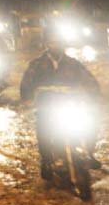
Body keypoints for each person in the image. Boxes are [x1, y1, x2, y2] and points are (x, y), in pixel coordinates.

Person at [20, 25, 101, 176]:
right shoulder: (37, 64)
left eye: (59, 42)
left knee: (90, 124)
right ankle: (46, 161)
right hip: (47, 106)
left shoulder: (73, 63)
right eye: (52, 42)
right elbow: (26, 83)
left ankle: (88, 153)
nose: (56, 45)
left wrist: (94, 96)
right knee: (43, 129)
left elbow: (89, 80)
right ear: (46, 44)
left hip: (71, 104)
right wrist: (27, 99)